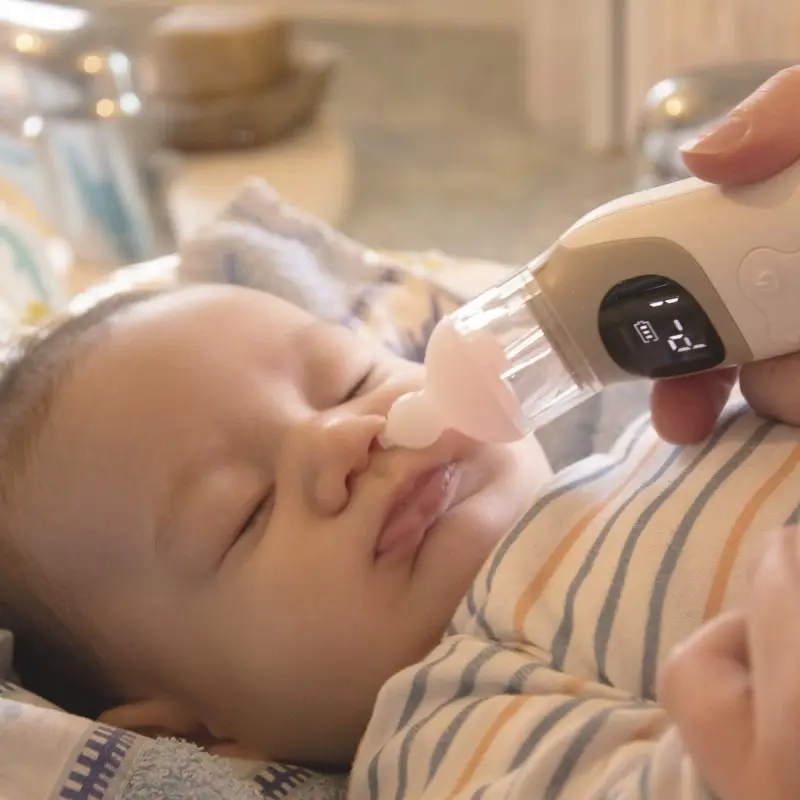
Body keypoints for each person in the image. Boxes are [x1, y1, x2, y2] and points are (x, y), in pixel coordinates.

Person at [1, 65, 799, 800]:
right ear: (197, 733)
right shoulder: (452, 730)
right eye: (246, 513)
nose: (347, 437)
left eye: (350, 380)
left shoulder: (645, 446)